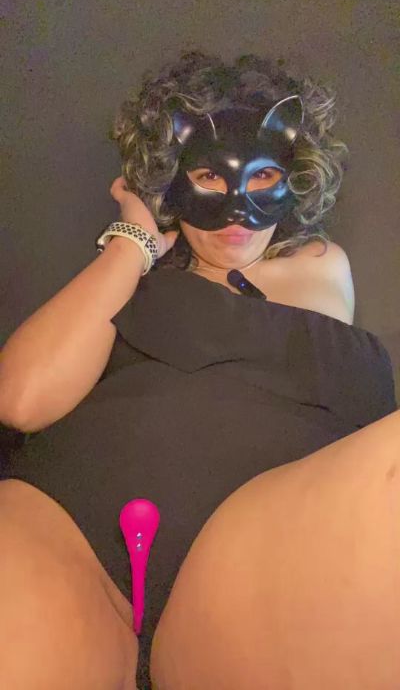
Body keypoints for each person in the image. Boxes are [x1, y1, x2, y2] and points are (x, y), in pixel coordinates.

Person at [0, 49, 398, 690]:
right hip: (71, 541)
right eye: (209, 176)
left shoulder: (320, 266)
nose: (237, 209)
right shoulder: (131, 279)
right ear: (168, 179)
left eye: (264, 175)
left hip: (259, 568)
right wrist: (133, 241)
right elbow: (21, 399)